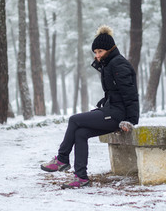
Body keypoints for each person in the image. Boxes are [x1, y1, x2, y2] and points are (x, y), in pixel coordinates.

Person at [40, 25, 139, 189]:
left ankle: (62, 159)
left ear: (109, 49)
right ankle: (81, 177)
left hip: (118, 115)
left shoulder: (119, 65)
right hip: (111, 110)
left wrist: (130, 120)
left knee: (74, 120)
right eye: (95, 52)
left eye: (100, 51)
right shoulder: (109, 64)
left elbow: (130, 94)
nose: (97, 55)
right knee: (80, 133)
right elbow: (114, 92)